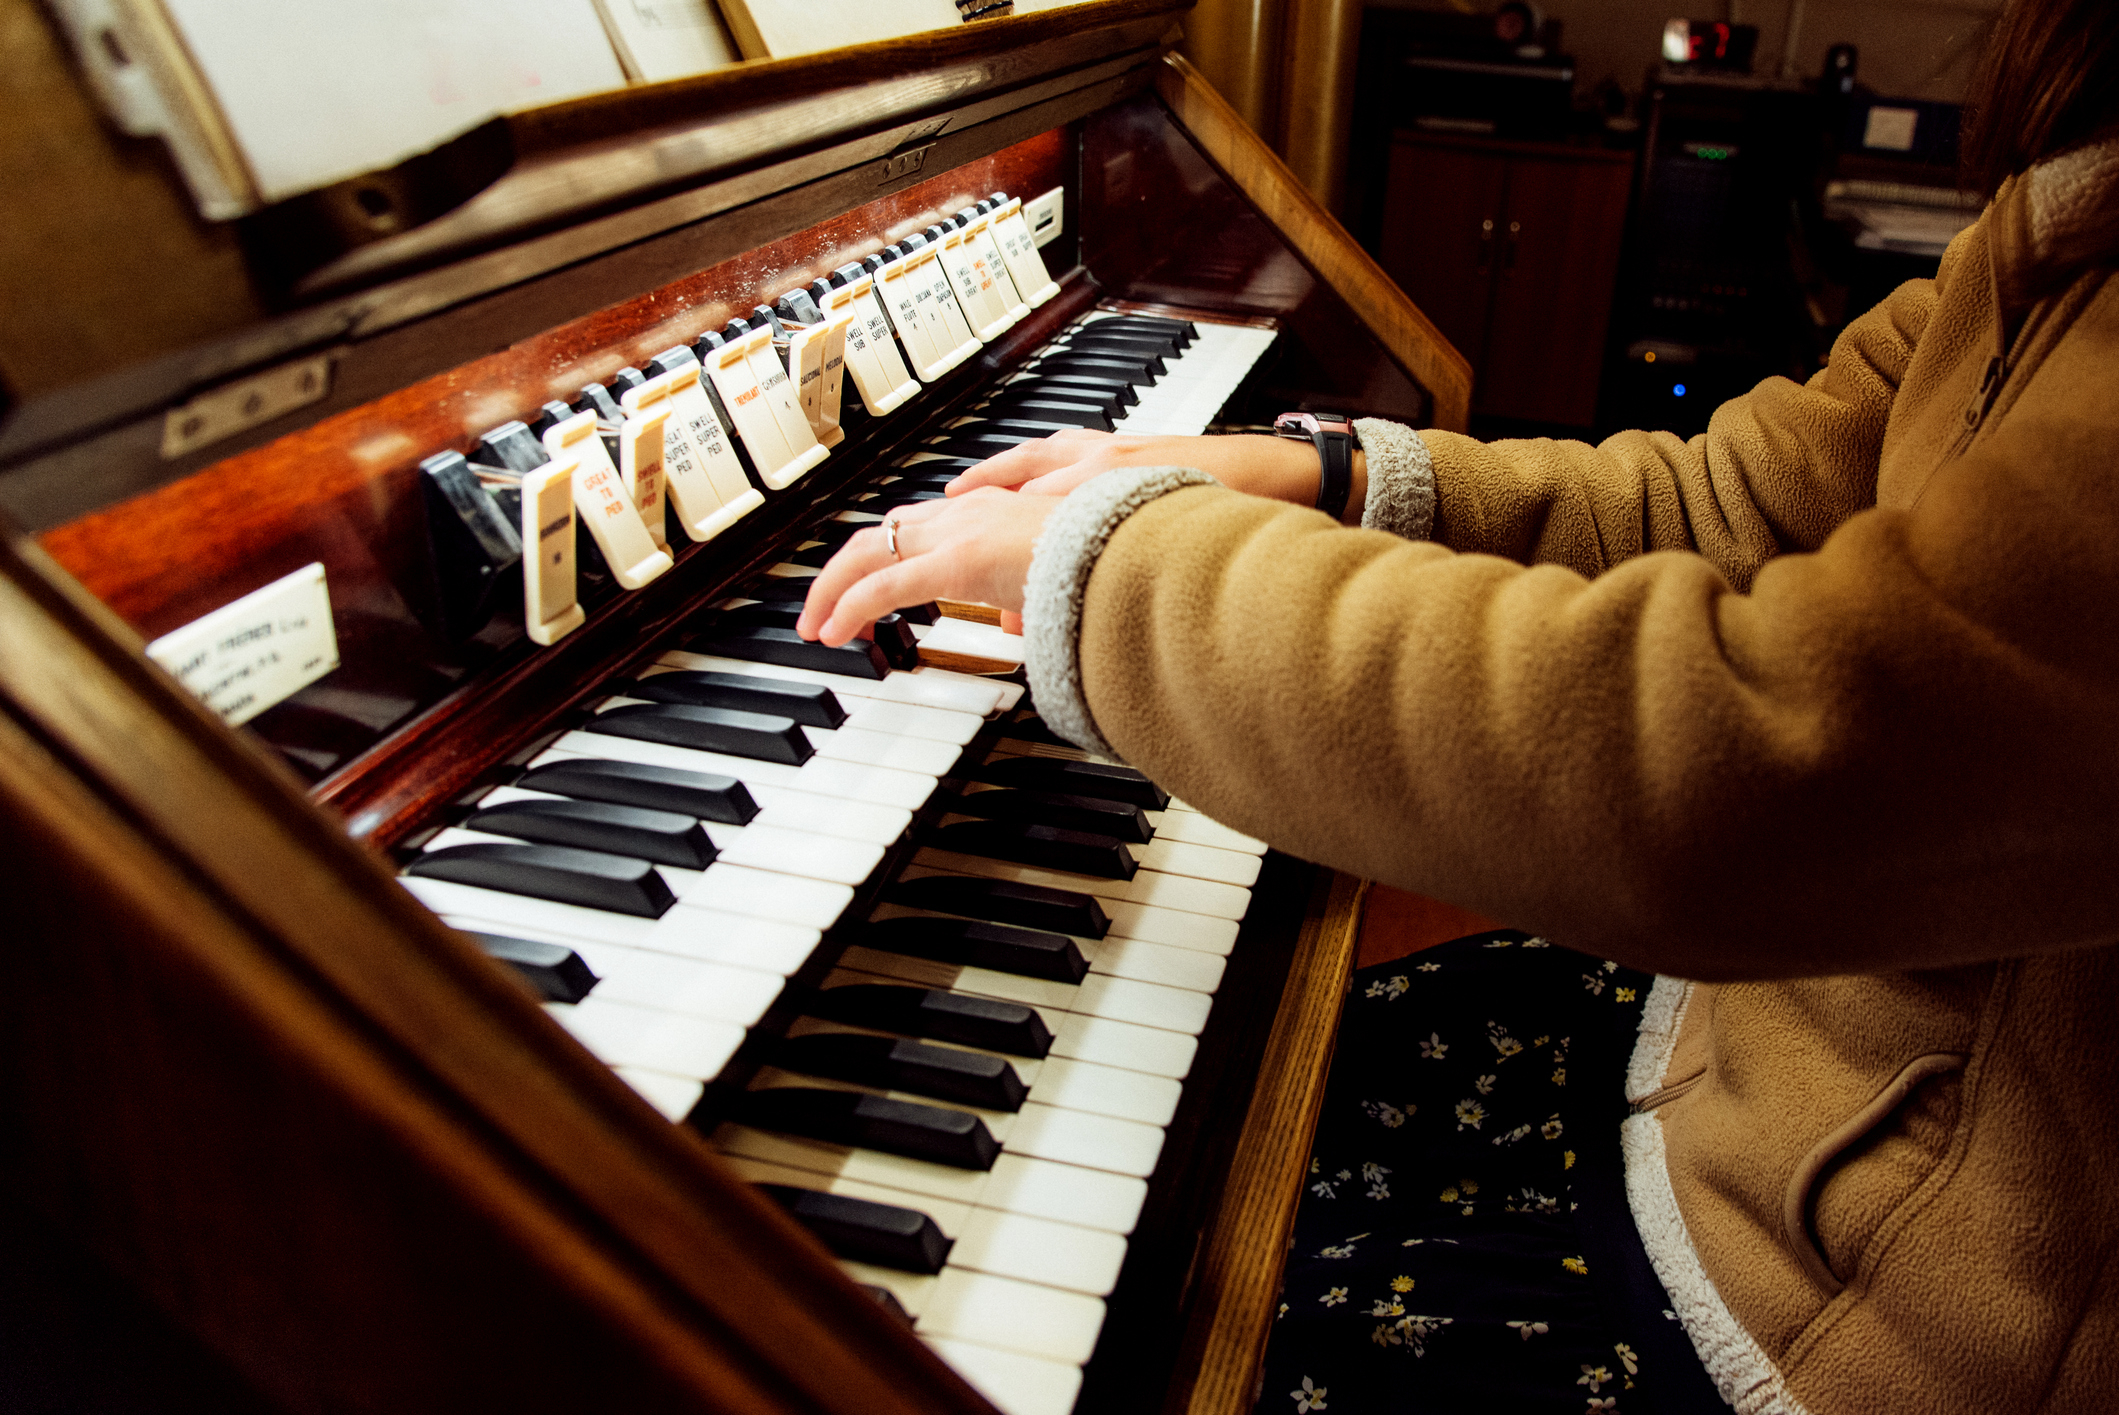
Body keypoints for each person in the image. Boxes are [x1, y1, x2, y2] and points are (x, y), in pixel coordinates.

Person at [799, 0, 2119, 1407]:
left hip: (1841, 1332)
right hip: (1724, 1070)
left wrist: (1121, 582)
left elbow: (1754, 771)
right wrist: (1337, 481)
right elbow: (1740, 506)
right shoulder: (2071, 210)